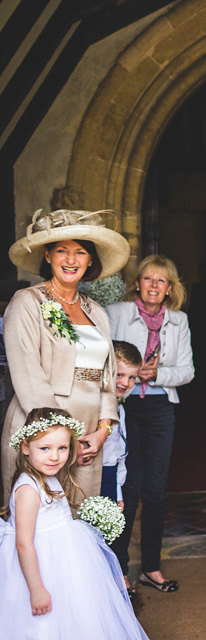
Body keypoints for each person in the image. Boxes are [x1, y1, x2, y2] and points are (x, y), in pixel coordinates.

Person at [2, 209, 130, 506]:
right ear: (48, 256)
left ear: (90, 260)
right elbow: (26, 370)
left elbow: (107, 378)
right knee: (41, 523)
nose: (71, 260)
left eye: (80, 252)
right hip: (43, 429)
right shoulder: (27, 302)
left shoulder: (96, 310)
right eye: (62, 251)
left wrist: (102, 431)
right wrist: (61, 437)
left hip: (88, 434)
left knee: (78, 519)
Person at [0, 407, 148, 638]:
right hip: (40, 570)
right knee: (45, 626)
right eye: (45, 448)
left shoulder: (49, 478)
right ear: (26, 448)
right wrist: (36, 589)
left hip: (63, 562)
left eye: (62, 448)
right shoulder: (28, 488)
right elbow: (24, 544)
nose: (54, 456)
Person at [107, 255, 195, 593]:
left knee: (156, 492)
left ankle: (152, 568)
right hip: (123, 406)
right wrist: (129, 374)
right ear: (138, 283)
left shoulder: (180, 320)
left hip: (160, 409)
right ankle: (120, 570)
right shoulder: (116, 313)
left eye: (162, 281)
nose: (154, 285)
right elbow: (106, 359)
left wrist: (155, 373)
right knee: (127, 492)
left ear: (170, 288)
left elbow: (187, 371)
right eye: (148, 279)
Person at [103, 340, 140, 596]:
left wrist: (118, 492)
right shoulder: (100, 406)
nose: (125, 383)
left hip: (115, 479)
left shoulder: (120, 405)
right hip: (103, 478)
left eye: (132, 378)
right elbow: (108, 455)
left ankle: (118, 577)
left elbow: (119, 454)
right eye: (119, 374)